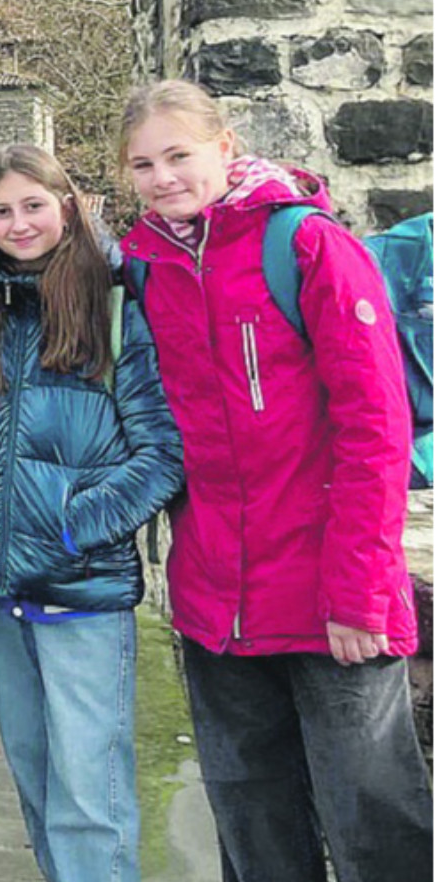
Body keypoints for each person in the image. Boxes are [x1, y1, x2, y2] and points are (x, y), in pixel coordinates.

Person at [115, 79, 432, 882]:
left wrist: (360, 592)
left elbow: (376, 427)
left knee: (373, 829)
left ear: (225, 148)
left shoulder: (306, 246)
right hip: (217, 602)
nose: (163, 177)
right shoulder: (147, 265)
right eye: (143, 164)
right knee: (255, 833)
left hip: (335, 599)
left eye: (179, 155)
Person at [0, 145, 183, 882]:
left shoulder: (113, 299)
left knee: (90, 798)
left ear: (68, 204)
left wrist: (70, 527)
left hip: (81, 589)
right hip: (1, 592)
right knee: (36, 783)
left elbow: (161, 454)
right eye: (1, 210)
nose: (19, 223)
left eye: (33, 205)